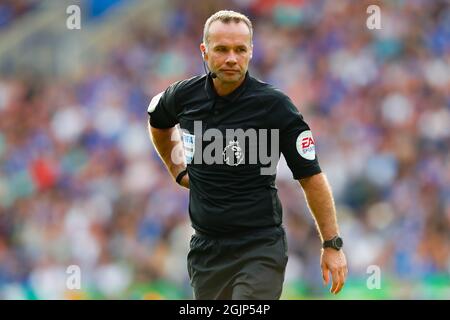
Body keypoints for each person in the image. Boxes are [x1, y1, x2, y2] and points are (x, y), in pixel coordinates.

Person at [147, 10, 347, 300]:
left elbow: (311, 177)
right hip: (206, 250)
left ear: (251, 52)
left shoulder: (275, 107)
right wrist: (177, 170)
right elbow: (157, 121)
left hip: (259, 247)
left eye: (240, 50)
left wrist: (332, 244)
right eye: (222, 49)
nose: (231, 58)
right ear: (204, 51)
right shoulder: (183, 96)